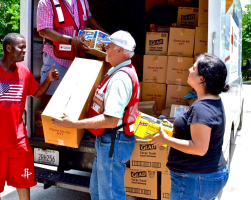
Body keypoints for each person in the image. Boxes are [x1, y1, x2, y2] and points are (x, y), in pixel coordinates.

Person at [0, 33, 59, 200]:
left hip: (17, 138)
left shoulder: (24, 71)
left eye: (25, 47)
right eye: (21, 47)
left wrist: (49, 80)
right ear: (8, 48)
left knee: (23, 180)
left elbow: (36, 92)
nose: (24, 51)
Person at [51, 30, 139, 200]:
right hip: (108, 141)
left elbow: (111, 120)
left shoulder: (120, 78)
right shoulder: (117, 72)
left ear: (120, 51)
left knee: (110, 196)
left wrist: (74, 124)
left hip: (113, 140)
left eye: (109, 45)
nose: (105, 48)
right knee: (98, 193)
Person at [150, 53, 229, 200]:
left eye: (193, 68)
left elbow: (199, 148)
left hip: (195, 179)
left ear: (202, 79)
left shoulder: (202, 108)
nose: (188, 69)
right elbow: (198, 130)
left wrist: (165, 139)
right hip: (201, 177)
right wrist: (174, 127)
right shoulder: (212, 101)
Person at [36, 0, 104, 106]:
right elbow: (44, 30)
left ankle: (69, 128)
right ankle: (47, 127)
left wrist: (105, 35)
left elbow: (89, 18)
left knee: (74, 100)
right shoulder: (46, 0)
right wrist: (71, 40)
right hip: (56, 58)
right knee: (51, 99)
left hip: (78, 58)